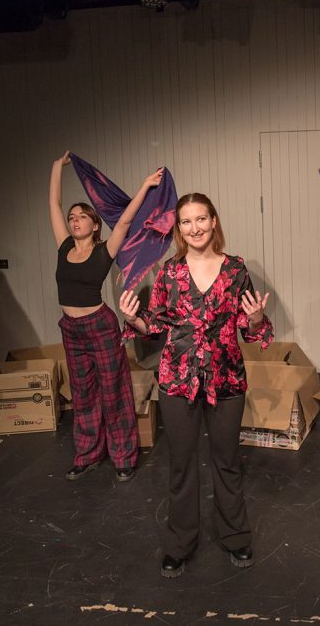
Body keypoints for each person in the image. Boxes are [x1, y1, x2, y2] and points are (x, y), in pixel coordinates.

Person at [118, 192, 272, 578]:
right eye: (186, 222)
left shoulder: (236, 270)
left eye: (201, 219)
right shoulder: (169, 273)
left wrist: (255, 320)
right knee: (181, 466)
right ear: (179, 229)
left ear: (214, 221)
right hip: (178, 380)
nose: (195, 227)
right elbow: (156, 326)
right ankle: (179, 544)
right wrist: (134, 320)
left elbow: (248, 327)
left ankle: (236, 537)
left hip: (226, 379)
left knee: (227, 463)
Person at [48, 153, 163, 483]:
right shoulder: (62, 246)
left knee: (114, 391)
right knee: (83, 394)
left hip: (99, 326)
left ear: (94, 224)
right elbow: (54, 205)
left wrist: (143, 186)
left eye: (82, 217)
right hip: (71, 329)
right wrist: (57, 168)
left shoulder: (104, 250)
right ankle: (87, 454)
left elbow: (126, 222)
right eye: (72, 217)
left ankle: (124, 457)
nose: (74, 221)